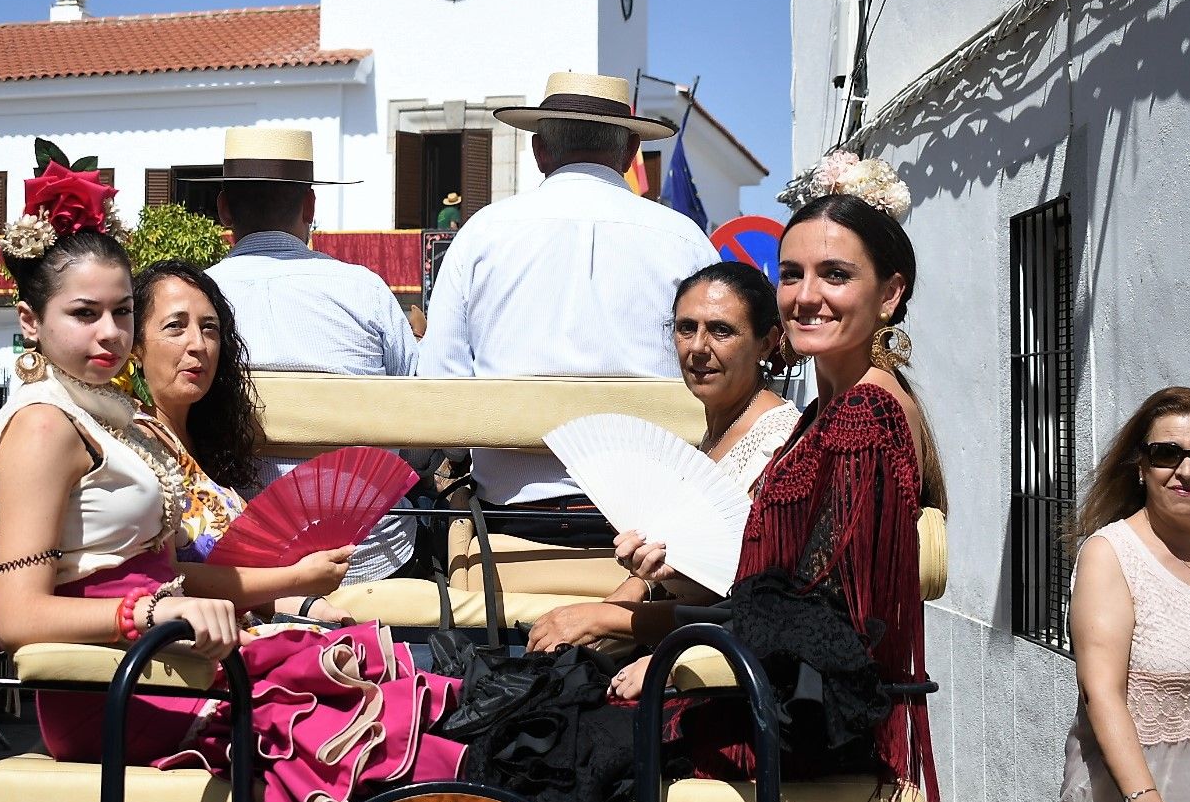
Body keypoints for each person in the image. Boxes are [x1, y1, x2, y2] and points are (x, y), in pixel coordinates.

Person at [0, 162, 462, 802]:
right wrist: (150, 614)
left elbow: (164, 571)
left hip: (167, 655)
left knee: (377, 676)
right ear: (30, 320)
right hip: (116, 681)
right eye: (84, 315)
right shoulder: (45, 428)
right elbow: (18, 617)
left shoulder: (104, 412)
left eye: (120, 311)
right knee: (362, 701)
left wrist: (288, 582)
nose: (110, 334)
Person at [614, 187, 947, 802]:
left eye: (836, 275)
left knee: (567, 741)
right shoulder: (842, 405)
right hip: (780, 691)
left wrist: (675, 656)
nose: (805, 295)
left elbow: (823, 614)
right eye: (791, 274)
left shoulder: (864, 416)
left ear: (890, 295)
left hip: (802, 717)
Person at [419, 71, 719, 510]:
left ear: (539, 150)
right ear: (631, 151)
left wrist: (467, 458)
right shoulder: (686, 239)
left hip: (513, 520)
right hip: (655, 522)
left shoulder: (480, 234)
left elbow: (439, 381)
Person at [526, 262, 801, 652]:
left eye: (721, 330)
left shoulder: (778, 446)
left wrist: (604, 618)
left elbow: (747, 601)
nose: (698, 347)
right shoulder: (717, 432)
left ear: (767, 342)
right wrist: (639, 582)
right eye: (686, 327)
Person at [206, 126, 420, 581]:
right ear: (310, 206)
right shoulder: (365, 290)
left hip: (242, 556)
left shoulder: (195, 300)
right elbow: (418, 416)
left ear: (223, 208)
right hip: (370, 552)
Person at [129, 259, 354, 621]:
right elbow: (167, 577)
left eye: (210, 328)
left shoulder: (207, 441)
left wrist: (308, 605)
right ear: (134, 346)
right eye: (175, 327)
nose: (198, 344)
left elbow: (241, 587)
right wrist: (297, 579)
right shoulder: (133, 444)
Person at [1060, 386, 1190, 802]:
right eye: (1167, 454)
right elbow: (1101, 693)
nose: (1186, 471)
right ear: (1140, 467)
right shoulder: (1111, 555)